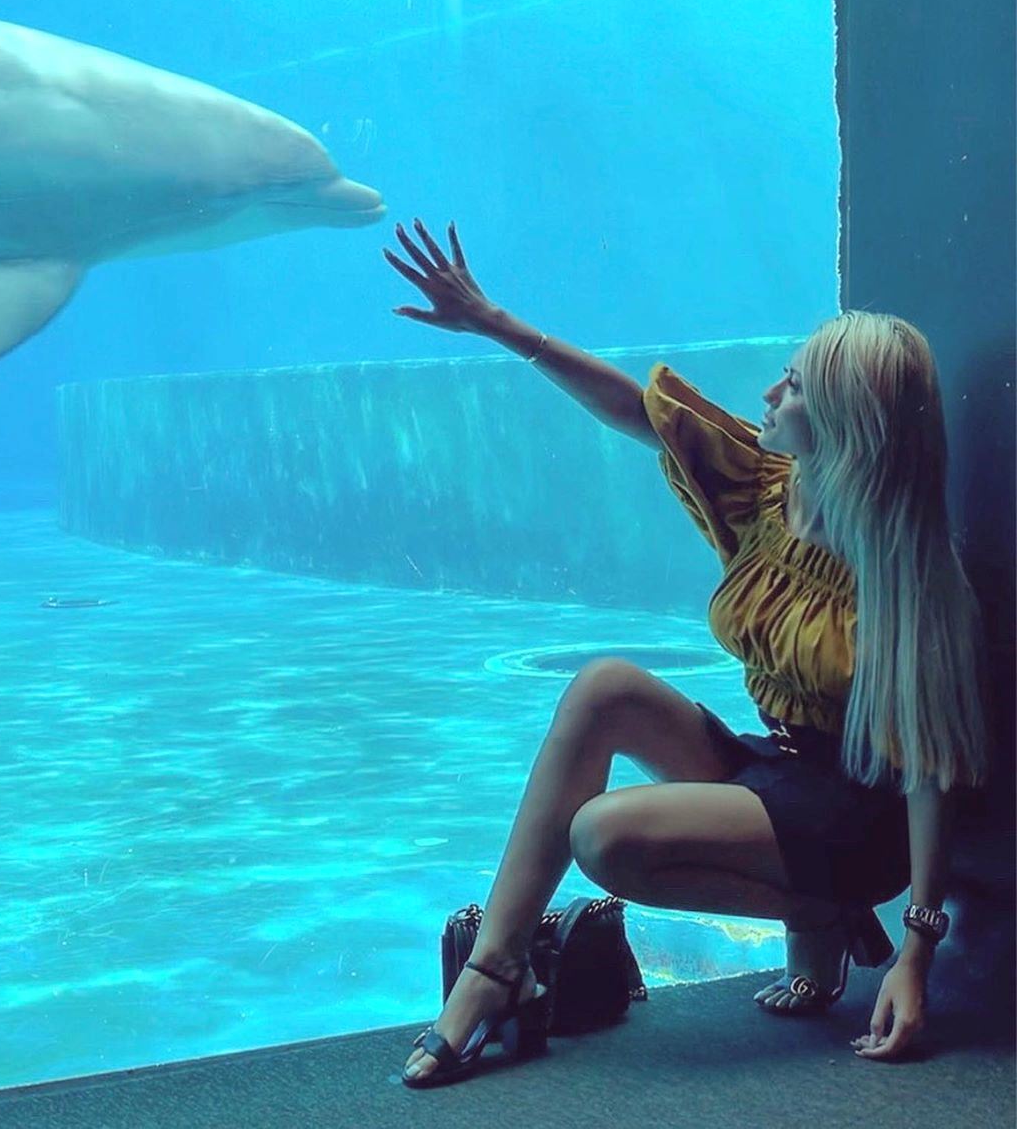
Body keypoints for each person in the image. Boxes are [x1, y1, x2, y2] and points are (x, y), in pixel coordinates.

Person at [382, 220, 990, 1088]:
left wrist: (918, 952)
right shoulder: (771, 493)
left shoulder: (907, 577)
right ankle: (496, 969)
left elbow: (930, 775)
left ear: (845, 421)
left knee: (603, 836)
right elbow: (643, 413)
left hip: (861, 821)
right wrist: (494, 323)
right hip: (782, 770)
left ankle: (826, 908)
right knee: (604, 688)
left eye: (797, 385)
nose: (772, 390)